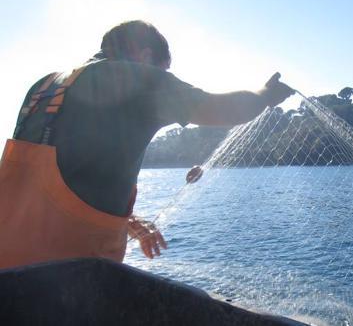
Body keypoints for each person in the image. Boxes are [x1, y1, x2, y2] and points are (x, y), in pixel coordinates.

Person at [0, 20, 295, 269]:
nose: (162, 78)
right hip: (67, 282)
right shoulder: (140, 79)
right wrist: (265, 94)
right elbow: (224, 109)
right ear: (144, 55)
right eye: (163, 70)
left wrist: (129, 220)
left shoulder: (45, 87)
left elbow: (55, 183)